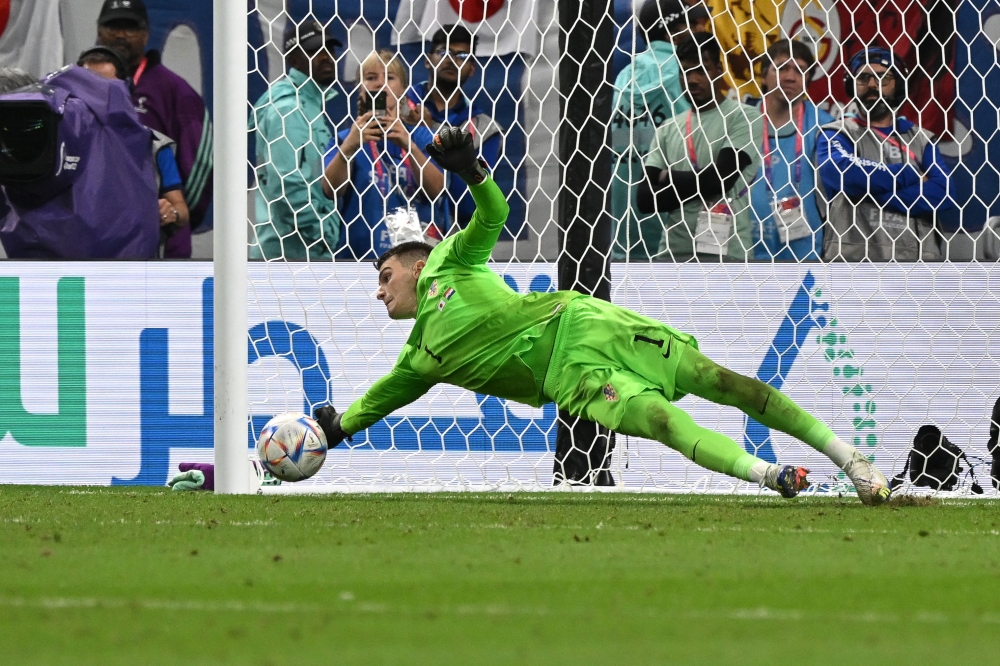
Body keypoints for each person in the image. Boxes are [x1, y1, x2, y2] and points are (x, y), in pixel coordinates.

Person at [311, 127, 891, 505]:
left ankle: (853, 462)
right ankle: (768, 478)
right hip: (574, 379)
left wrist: (473, 170)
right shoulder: (420, 358)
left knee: (724, 383)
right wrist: (337, 430)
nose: (380, 293)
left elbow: (494, 212)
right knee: (661, 422)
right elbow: (380, 398)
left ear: (413, 265)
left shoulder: (447, 263)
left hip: (588, 323)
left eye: (384, 277)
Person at [95, 0, 213, 258]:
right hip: (92, 238)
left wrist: (173, 216)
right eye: (113, 26)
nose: (121, 34)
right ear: (98, 30)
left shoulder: (173, 90)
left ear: (146, 34)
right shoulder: (75, 83)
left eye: (130, 27)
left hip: (159, 244)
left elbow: (200, 165)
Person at [816, 47, 954, 262]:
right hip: (852, 263)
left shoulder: (922, 139)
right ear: (852, 86)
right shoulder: (837, 132)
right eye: (863, 78)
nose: (872, 84)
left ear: (898, 85)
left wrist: (866, 193)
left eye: (883, 77)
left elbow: (943, 192)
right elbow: (841, 172)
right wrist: (909, 174)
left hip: (917, 265)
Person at [636, 32, 762, 262]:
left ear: (719, 70)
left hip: (728, 257)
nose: (693, 79)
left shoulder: (744, 117)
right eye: (686, 71)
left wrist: (665, 176)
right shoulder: (667, 128)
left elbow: (720, 180)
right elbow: (645, 199)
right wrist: (704, 183)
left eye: (702, 71)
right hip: (672, 256)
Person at [322, 50, 445, 260]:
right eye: (371, 78)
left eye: (389, 77)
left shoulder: (423, 137)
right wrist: (349, 148)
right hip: (359, 261)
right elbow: (330, 190)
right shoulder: (345, 138)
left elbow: (438, 191)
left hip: (417, 264)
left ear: (403, 90)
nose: (380, 84)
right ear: (360, 89)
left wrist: (411, 147)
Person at [611, 0, 709, 259]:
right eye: (695, 25)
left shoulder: (624, 77)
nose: (704, 32)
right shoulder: (687, 75)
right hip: (676, 233)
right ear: (672, 33)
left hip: (622, 228)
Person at [78, 46, 190, 257]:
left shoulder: (155, 145)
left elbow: (182, 211)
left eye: (105, 88)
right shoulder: (58, 144)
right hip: (72, 270)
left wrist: (170, 212)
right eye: (87, 87)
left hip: (137, 275)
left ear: (125, 90)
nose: (94, 97)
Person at [248, 18, 344, 261]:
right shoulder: (288, 109)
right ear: (293, 60)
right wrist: (324, 233)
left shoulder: (309, 106)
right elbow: (287, 185)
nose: (326, 56)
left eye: (329, 49)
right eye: (314, 50)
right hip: (290, 256)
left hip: (302, 253)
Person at [404, 25, 503, 230]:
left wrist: (426, 132)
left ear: (472, 69)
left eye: (462, 55)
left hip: (447, 246)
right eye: (443, 52)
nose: (451, 59)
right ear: (427, 60)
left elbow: (469, 204)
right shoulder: (398, 108)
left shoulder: (484, 129)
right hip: (391, 231)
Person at [749, 40, 833, 261]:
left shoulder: (824, 127)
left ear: (808, 80)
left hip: (804, 257)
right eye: (781, 67)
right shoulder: (739, 121)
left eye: (800, 70)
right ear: (764, 75)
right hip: (744, 254)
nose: (790, 76)